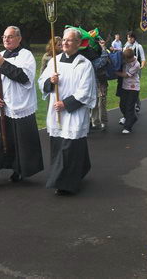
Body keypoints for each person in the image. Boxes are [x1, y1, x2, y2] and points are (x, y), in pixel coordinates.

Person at [0, 26, 44, 186]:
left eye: (10, 36)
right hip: (0, 107)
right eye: (4, 37)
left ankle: (18, 170)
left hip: (19, 107)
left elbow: (24, 77)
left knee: (18, 141)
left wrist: (4, 64)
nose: (6, 39)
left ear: (19, 38)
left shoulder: (26, 56)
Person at [39, 27, 96, 195]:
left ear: (78, 43)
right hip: (56, 112)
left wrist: (65, 104)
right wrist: (50, 81)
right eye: (63, 40)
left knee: (70, 147)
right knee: (59, 146)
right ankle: (80, 169)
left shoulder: (84, 64)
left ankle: (66, 183)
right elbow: (41, 82)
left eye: (69, 40)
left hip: (73, 113)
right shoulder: (54, 61)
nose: (65, 43)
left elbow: (86, 91)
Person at [115, 48, 140, 134]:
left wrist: (114, 72)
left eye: (126, 59)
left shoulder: (136, 64)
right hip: (125, 87)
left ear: (130, 58)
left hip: (133, 88)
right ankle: (131, 117)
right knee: (122, 105)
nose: (124, 61)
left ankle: (128, 127)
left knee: (129, 106)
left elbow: (125, 75)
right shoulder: (126, 58)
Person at [123, 32, 146, 112]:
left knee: (134, 87)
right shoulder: (125, 46)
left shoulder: (138, 46)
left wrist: (141, 67)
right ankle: (130, 104)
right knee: (128, 87)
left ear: (134, 38)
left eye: (131, 37)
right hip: (127, 68)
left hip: (136, 69)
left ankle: (137, 104)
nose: (129, 39)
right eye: (128, 37)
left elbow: (143, 58)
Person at [90, 38, 109, 130]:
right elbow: (104, 59)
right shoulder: (93, 61)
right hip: (98, 83)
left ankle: (97, 121)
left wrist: (103, 48)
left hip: (98, 83)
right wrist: (104, 48)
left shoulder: (90, 60)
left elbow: (103, 59)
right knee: (98, 103)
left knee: (98, 103)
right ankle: (99, 122)